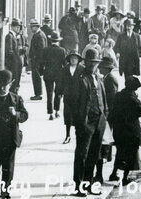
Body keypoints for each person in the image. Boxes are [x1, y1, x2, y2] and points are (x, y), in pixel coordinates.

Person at [0, 70, 28, 199]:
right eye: (0, 84)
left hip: (9, 138)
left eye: (6, 85)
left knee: (8, 166)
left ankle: (5, 191)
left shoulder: (16, 99)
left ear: (11, 84)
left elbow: (25, 115)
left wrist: (16, 114)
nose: (3, 88)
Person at [70, 49, 108, 196]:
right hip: (85, 122)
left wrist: (105, 115)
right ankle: (79, 186)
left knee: (94, 154)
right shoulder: (79, 78)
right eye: (91, 63)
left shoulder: (98, 78)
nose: (94, 65)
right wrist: (79, 121)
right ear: (85, 63)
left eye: (96, 63)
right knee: (82, 154)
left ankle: (89, 184)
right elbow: (71, 101)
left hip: (99, 120)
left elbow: (103, 99)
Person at [107, 76, 141, 185]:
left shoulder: (119, 95)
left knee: (119, 153)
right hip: (130, 130)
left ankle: (113, 174)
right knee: (130, 154)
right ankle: (125, 178)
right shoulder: (132, 98)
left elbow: (114, 111)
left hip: (119, 130)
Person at [96, 56, 119, 185]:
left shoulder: (111, 80)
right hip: (105, 116)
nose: (99, 69)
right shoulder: (105, 78)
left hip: (108, 117)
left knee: (105, 143)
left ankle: (100, 172)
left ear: (107, 68)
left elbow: (112, 99)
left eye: (102, 67)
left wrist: (107, 115)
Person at [40, 34, 68, 120]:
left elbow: (41, 63)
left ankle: (50, 113)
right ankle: (57, 111)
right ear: (58, 41)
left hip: (48, 74)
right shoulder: (62, 50)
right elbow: (65, 64)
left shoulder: (45, 50)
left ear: (50, 40)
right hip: (59, 75)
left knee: (49, 93)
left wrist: (41, 73)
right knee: (58, 93)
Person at [58, 51, 83, 144]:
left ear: (78, 60)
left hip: (79, 97)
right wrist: (59, 93)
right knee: (68, 116)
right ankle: (67, 135)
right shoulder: (64, 69)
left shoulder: (82, 69)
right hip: (68, 96)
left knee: (78, 116)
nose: (73, 60)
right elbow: (60, 82)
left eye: (75, 58)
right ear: (69, 59)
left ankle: (79, 135)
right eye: (72, 58)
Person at [4, 19, 26, 95]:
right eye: (17, 27)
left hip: (17, 63)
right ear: (12, 27)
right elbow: (9, 51)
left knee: (17, 80)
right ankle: (13, 94)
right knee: (14, 80)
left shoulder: (16, 36)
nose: (18, 29)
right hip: (13, 63)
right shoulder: (9, 36)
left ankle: (15, 94)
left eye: (19, 27)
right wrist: (16, 55)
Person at [28, 18, 48, 101]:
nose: (31, 28)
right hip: (37, 60)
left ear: (36, 27)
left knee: (36, 78)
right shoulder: (39, 34)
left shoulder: (39, 36)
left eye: (32, 27)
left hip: (37, 61)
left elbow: (41, 50)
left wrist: (37, 60)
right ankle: (38, 93)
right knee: (36, 77)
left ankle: (38, 94)